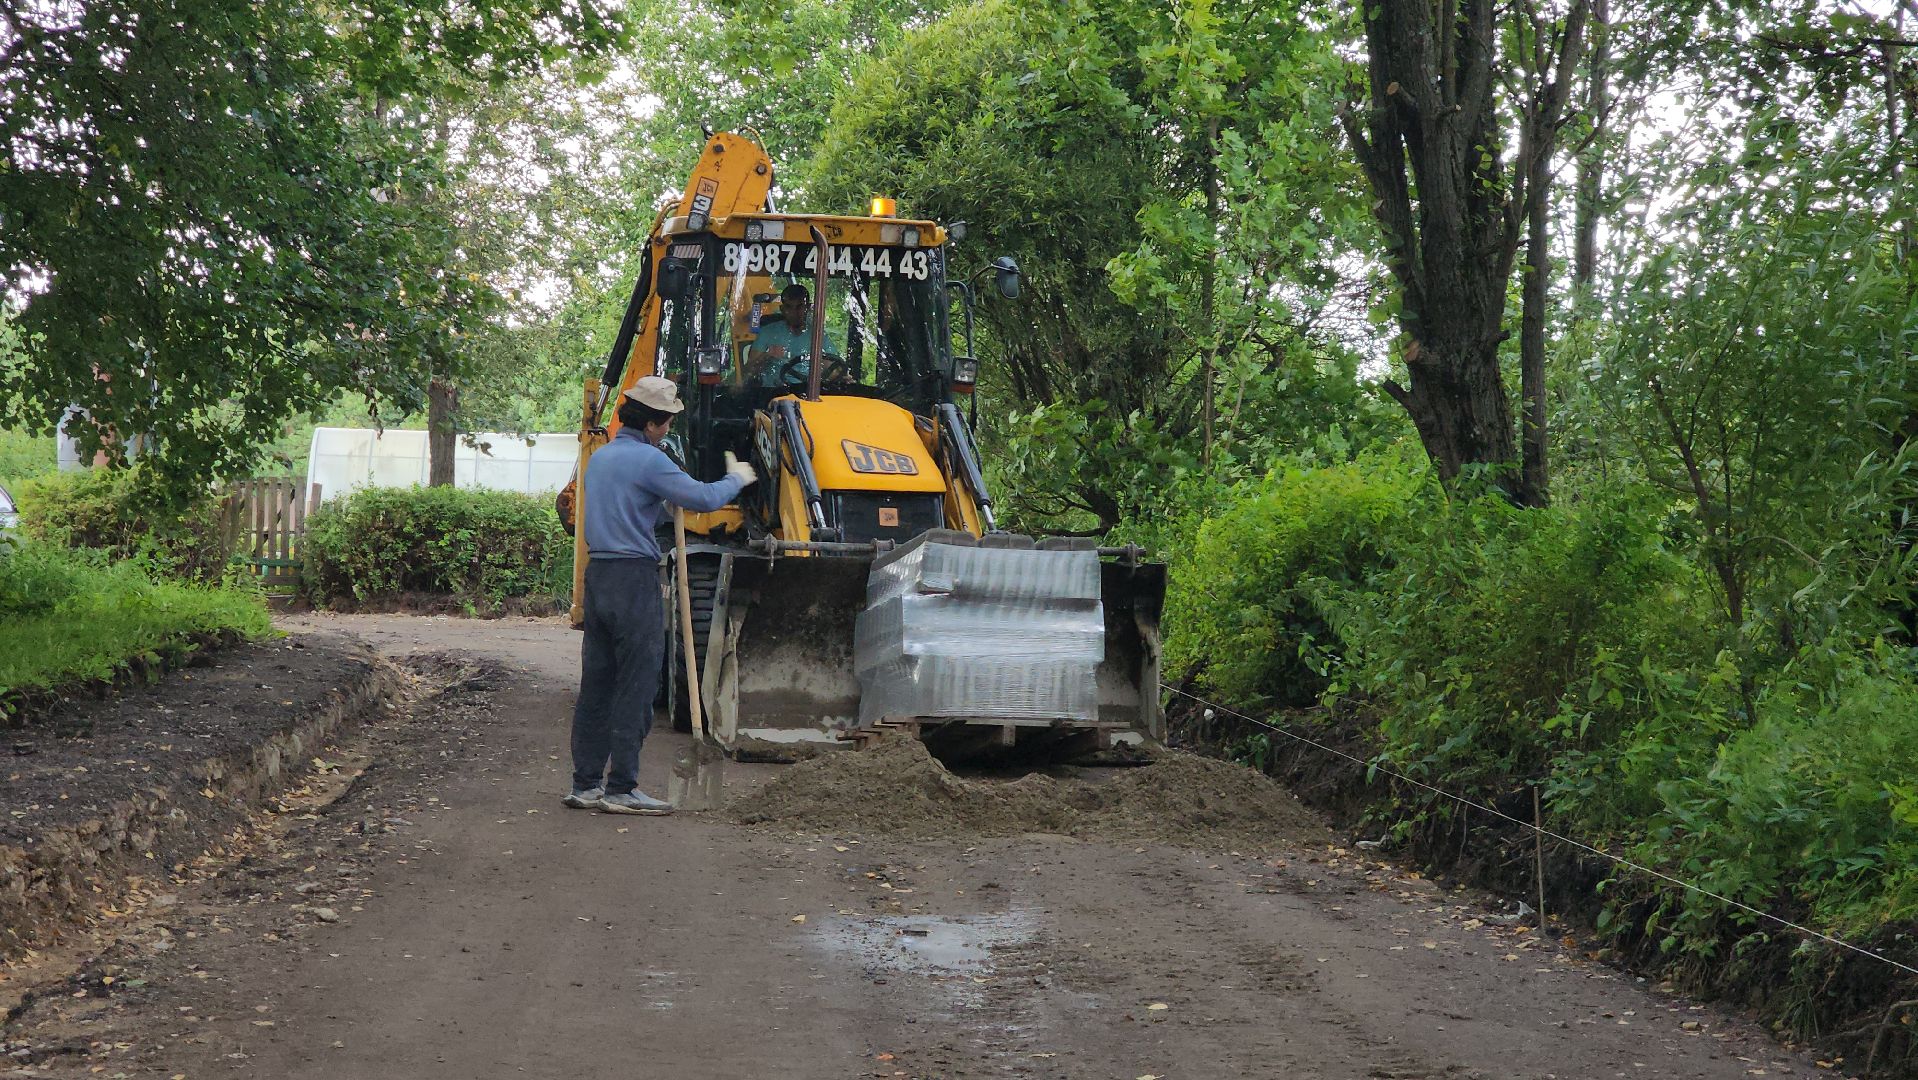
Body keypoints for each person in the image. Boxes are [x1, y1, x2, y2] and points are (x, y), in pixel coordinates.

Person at [566, 375, 757, 814]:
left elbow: (632, 503)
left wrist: (660, 503)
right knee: (637, 681)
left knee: (597, 682)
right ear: (652, 424)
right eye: (667, 422)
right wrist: (737, 478)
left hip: (599, 577)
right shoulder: (650, 461)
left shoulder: (604, 458)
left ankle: (585, 783)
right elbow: (705, 500)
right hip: (633, 578)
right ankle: (622, 788)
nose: (669, 429)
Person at [746, 283, 838, 387]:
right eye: (789, 307)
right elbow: (749, 370)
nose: (794, 313)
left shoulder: (818, 336)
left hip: (809, 394)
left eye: (799, 307)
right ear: (782, 309)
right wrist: (767, 355)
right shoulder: (767, 332)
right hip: (774, 395)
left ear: (807, 307)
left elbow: (833, 369)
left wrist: (840, 377)